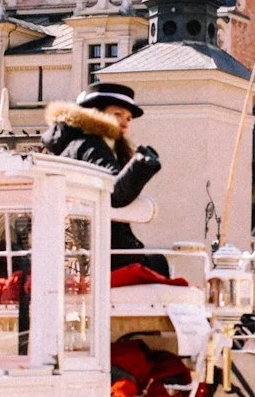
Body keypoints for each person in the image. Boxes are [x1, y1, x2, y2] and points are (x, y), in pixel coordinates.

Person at [41, 80, 164, 271]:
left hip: (85, 250)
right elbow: (114, 194)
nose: (124, 122)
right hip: (104, 251)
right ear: (96, 113)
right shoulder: (93, 144)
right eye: (118, 114)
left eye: (129, 118)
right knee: (159, 264)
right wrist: (143, 163)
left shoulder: (77, 143)